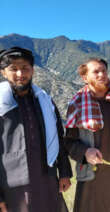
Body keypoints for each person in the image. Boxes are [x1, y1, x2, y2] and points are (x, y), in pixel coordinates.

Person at [0, 47, 72, 212]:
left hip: (46, 179)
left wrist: (65, 172)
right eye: (13, 69)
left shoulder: (45, 101)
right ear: (4, 72)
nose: (20, 74)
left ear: (32, 70)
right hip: (11, 184)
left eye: (25, 68)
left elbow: (58, 138)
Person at [64, 58, 110, 212]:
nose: (101, 74)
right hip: (91, 177)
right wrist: (85, 152)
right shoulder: (77, 104)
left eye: (103, 71)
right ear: (85, 78)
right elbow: (69, 142)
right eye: (96, 72)